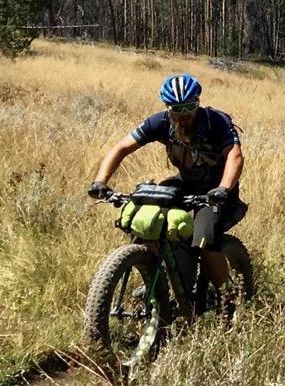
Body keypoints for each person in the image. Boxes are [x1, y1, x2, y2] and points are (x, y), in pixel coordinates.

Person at [89, 73, 246, 282]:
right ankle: (156, 280)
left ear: (198, 101)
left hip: (216, 188)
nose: (185, 114)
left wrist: (224, 189)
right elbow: (121, 148)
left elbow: (234, 156)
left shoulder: (215, 122)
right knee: (148, 219)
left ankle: (227, 302)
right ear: (167, 106)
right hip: (186, 181)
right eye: (177, 109)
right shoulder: (160, 123)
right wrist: (100, 181)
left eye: (190, 106)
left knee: (206, 242)